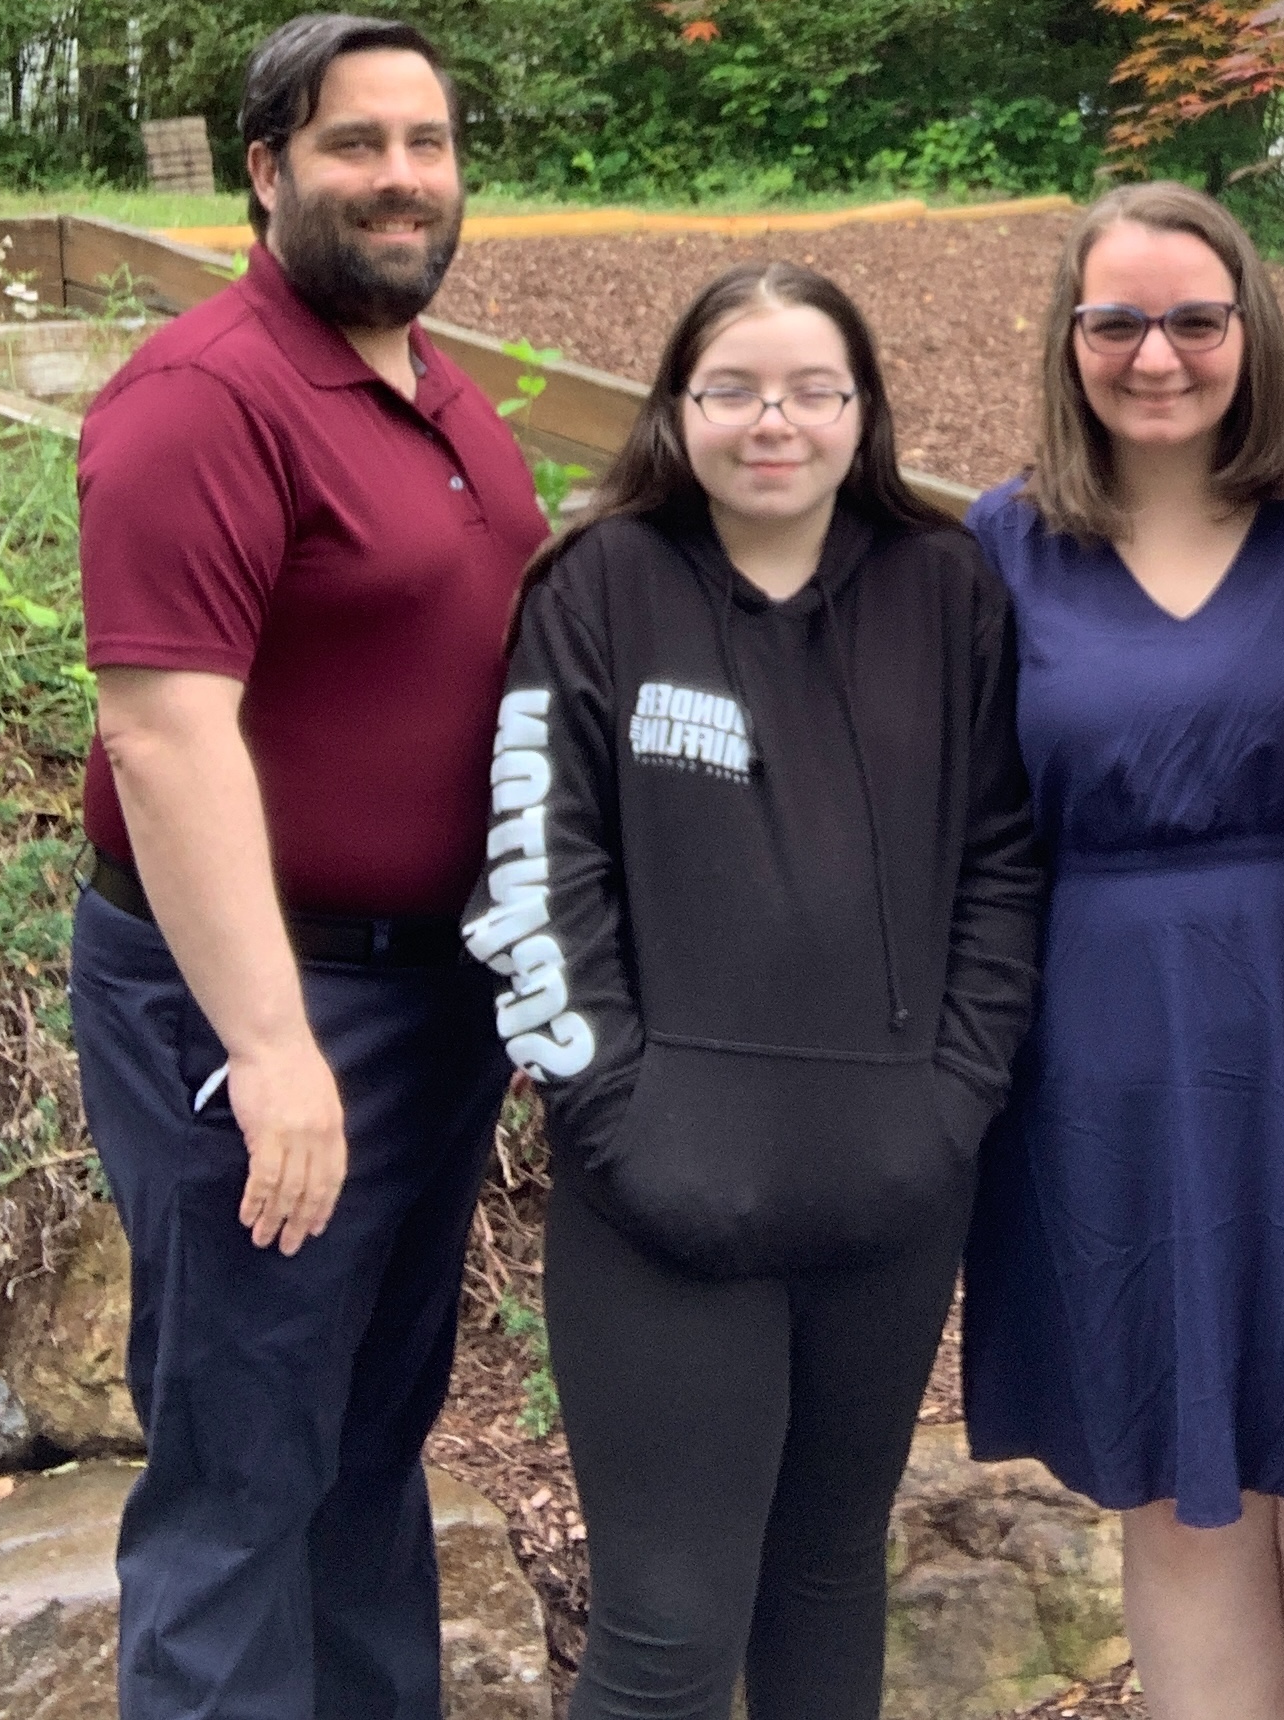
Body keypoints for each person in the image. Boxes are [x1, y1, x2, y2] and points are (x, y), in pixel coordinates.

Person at [465, 258, 1038, 1720]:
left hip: (892, 1194)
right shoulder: (597, 586)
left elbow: (1002, 863)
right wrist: (614, 1118)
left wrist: (952, 1103)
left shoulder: (950, 586)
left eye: (811, 391)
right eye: (732, 389)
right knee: (666, 1630)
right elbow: (536, 871)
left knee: (833, 1583)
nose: (771, 421)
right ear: (679, 407)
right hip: (660, 1199)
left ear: (862, 412)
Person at [68, 12, 547, 1719]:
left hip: (433, 1005)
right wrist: (270, 1052)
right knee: (245, 1464)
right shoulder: (207, 399)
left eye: (428, 142)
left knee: (366, 1452)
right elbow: (166, 733)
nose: (402, 178)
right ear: (266, 174)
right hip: (261, 1005)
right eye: (357, 144)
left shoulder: (437, 395)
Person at [961, 181, 1284, 1720]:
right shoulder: (1002, 542)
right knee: (1179, 1485)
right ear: (1069, 338)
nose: (1155, 354)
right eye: (1118, 321)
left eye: (1193, 318)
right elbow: (961, 820)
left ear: (1252, 328)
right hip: (1103, 1042)